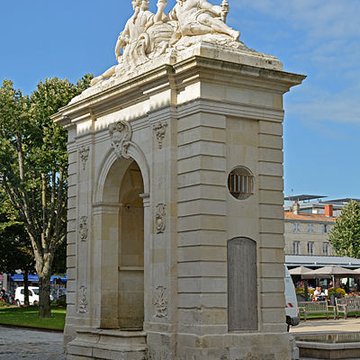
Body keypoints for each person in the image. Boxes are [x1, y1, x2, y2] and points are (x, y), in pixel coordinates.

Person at [169, 0, 240, 41]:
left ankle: (230, 32)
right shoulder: (175, 8)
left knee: (203, 17)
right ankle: (220, 31)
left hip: (196, 18)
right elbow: (167, 19)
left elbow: (211, 7)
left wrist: (220, 11)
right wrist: (161, 7)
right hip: (188, 28)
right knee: (185, 28)